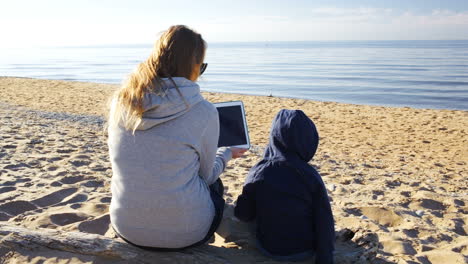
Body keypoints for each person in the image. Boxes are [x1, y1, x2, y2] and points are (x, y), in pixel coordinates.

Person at [107, 25, 246, 250]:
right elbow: (207, 175)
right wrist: (227, 153)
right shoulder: (204, 111)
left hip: (126, 227)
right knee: (215, 185)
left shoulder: (122, 102)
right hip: (186, 235)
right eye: (202, 67)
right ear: (193, 66)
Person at [234, 109, 335, 263]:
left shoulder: (259, 171)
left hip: (269, 249)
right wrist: (325, 259)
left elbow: (243, 214)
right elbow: (324, 221)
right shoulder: (310, 176)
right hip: (304, 251)